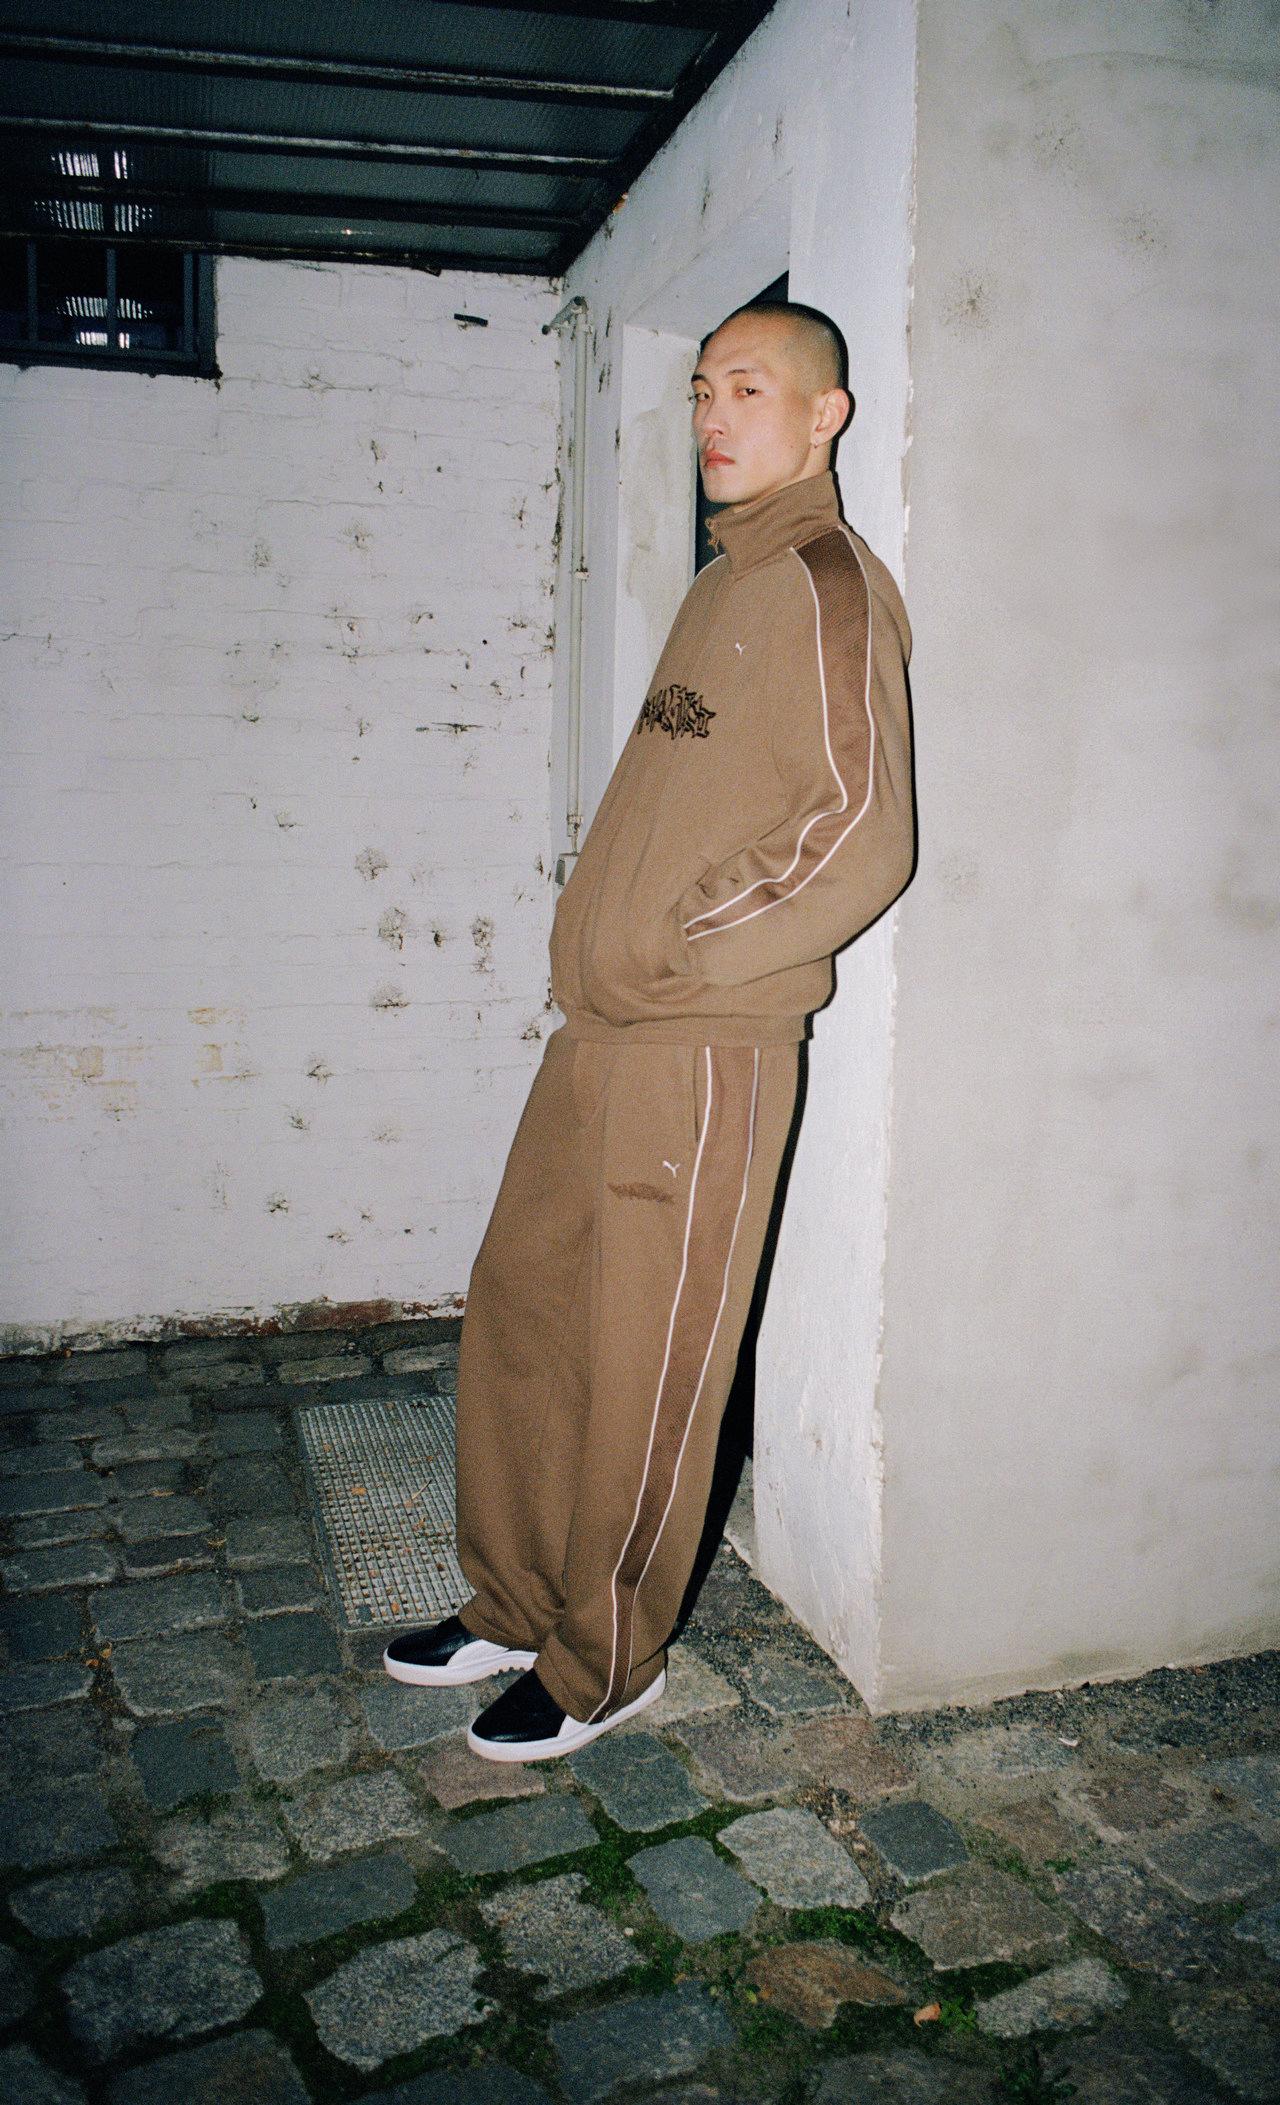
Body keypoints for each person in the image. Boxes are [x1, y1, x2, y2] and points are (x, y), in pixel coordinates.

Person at [383, 299, 916, 1761]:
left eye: (748, 389)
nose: (713, 418)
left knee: (649, 1358)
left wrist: (680, 945)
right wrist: (607, 942)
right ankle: (514, 1601)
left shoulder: (826, 584)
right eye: (699, 393)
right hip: (603, 1033)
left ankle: (606, 1660)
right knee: (529, 1310)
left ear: (825, 415)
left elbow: (862, 830)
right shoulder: (717, 586)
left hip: (704, 1045)